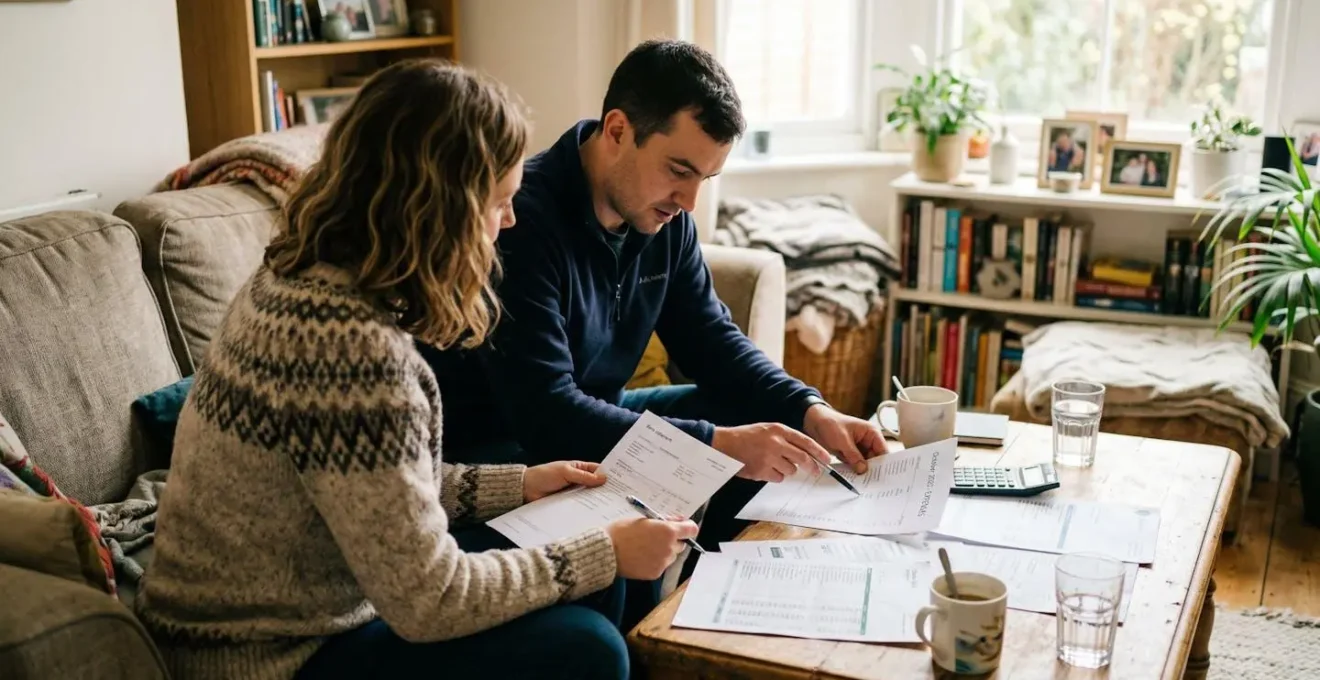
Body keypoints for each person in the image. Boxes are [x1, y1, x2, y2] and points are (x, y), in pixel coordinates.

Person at [134, 59, 697, 680]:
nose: (509, 222)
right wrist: (604, 553)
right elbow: (430, 600)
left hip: (307, 604)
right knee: (591, 644)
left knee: (593, 583)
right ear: (441, 210)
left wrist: (523, 483)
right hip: (268, 655)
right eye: (500, 202)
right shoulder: (353, 355)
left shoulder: (304, 279)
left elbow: (375, 485)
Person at [427, 38, 888, 565]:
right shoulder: (518, 221)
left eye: (706, 178)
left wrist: (810, 409)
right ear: (619, 130)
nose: (690, 203)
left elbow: (713, 340)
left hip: (601, 415)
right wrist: (717, 446)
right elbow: (546, 413)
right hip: (507, 450)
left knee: (753, 415)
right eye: (679, 171)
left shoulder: (665, 221)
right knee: (728, 441)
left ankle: (721, 586)